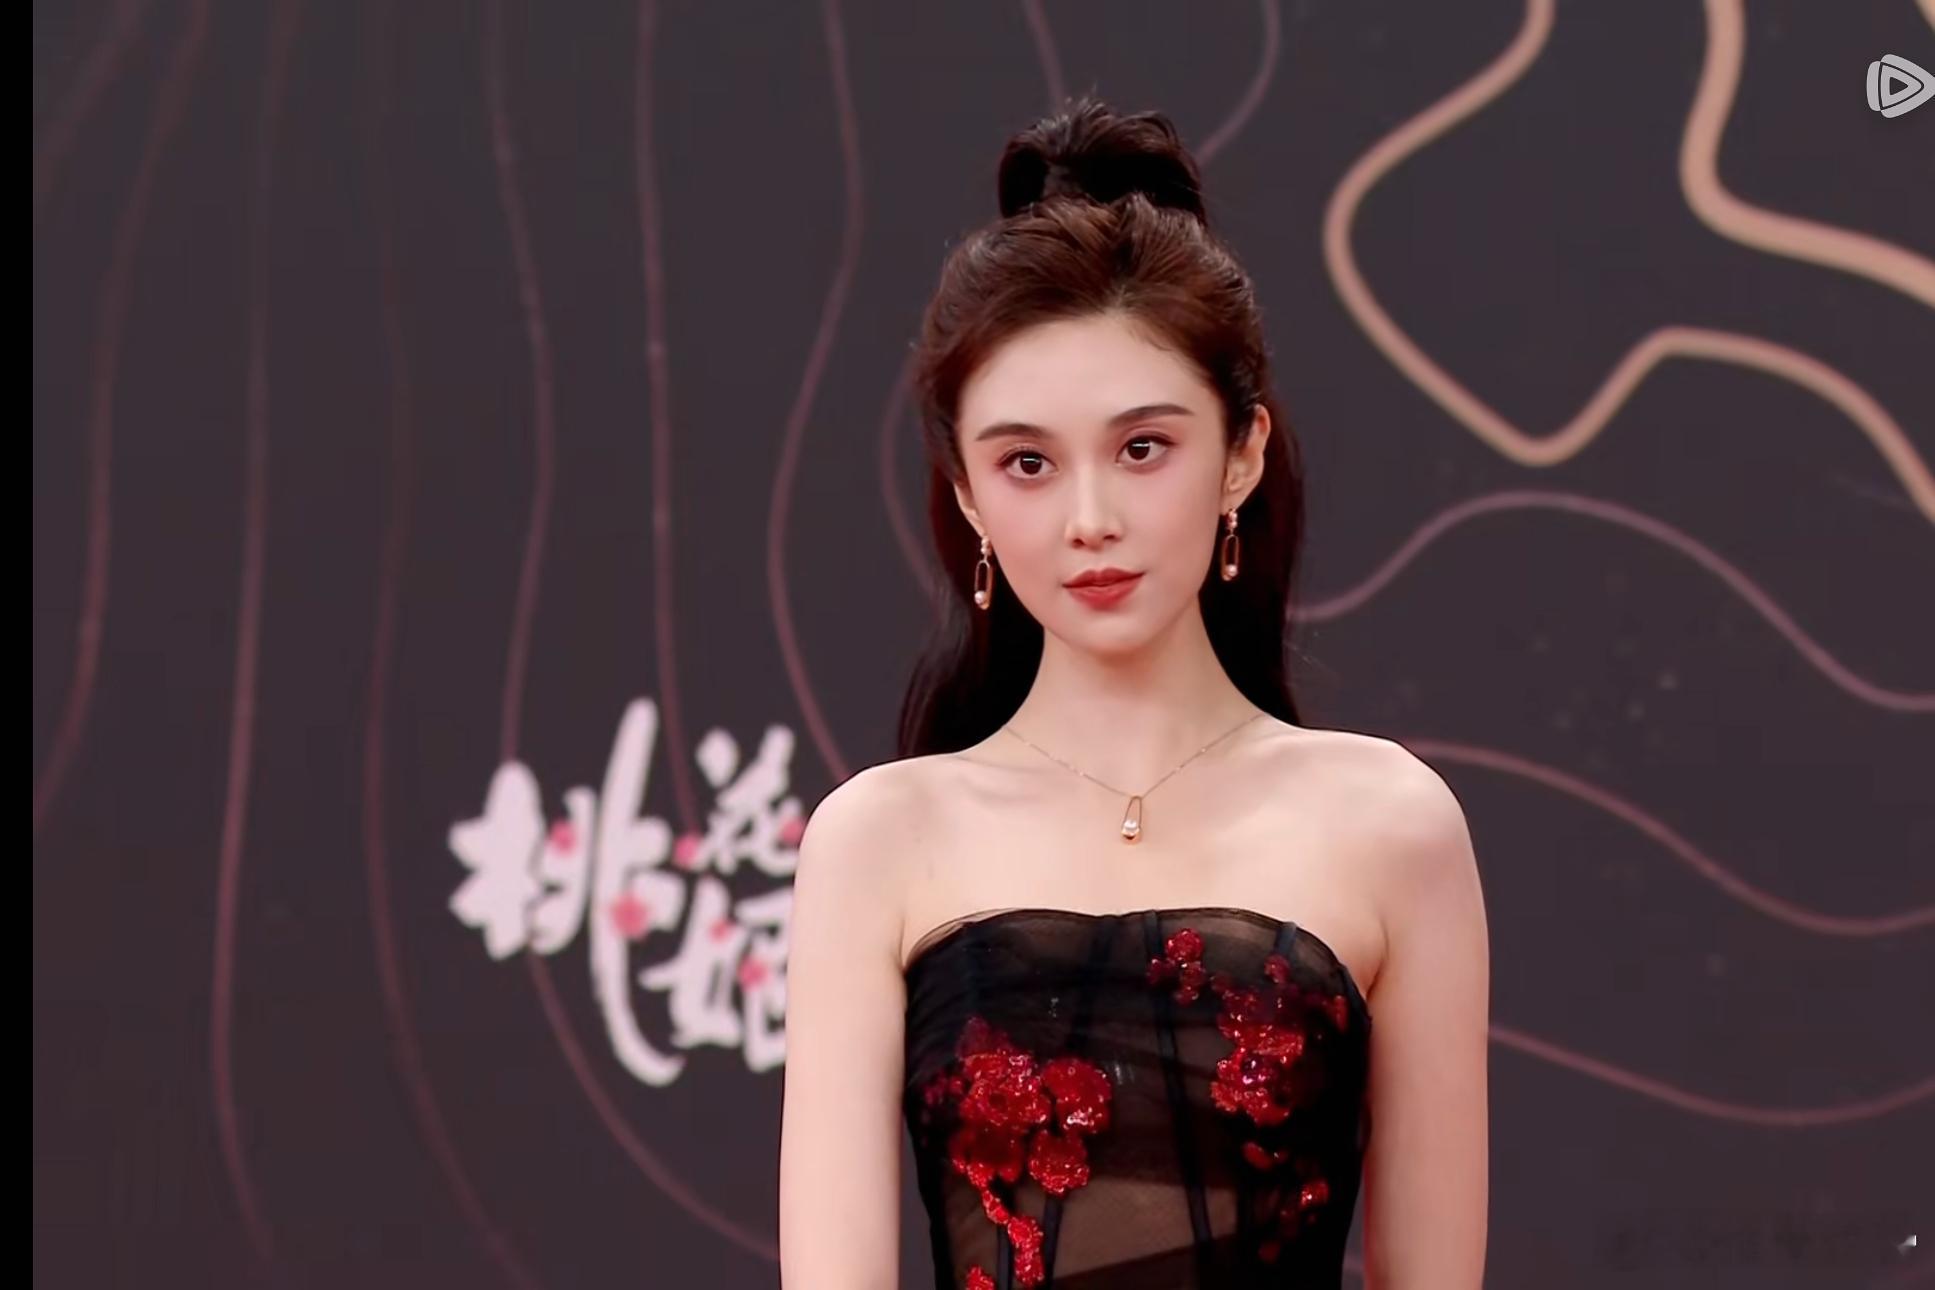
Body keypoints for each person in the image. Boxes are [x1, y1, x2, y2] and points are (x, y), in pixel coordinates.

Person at [779, 96, 1489, 1289]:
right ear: (967, 496)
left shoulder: (1390, 826)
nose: (1090, 519)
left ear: (1242, 453)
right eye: (1027, 463)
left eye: (1143, 448)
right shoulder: (879, 841)